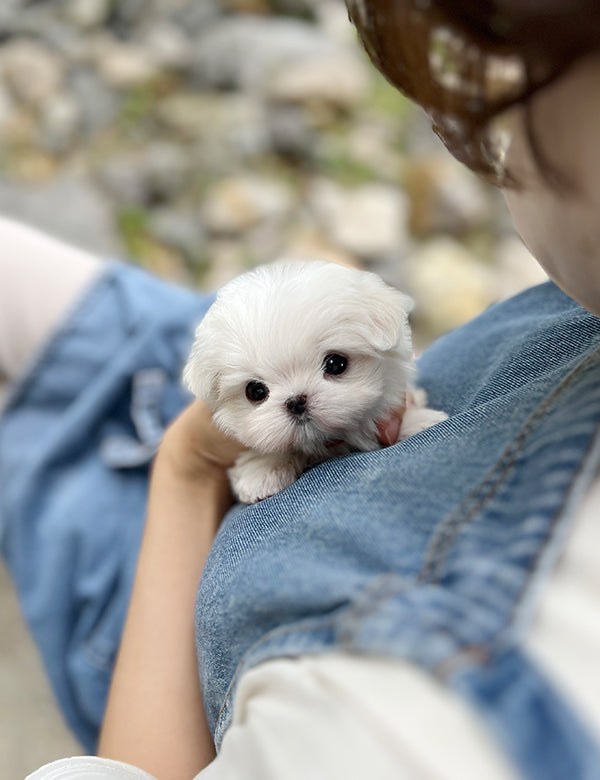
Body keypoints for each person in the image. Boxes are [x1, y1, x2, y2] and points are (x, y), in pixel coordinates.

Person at [3, 1, 600, 778]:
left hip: (157, 599)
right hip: (210, 396)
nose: (491, 129)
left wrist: (183, 470)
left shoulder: (396, 722)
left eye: (520, 73)